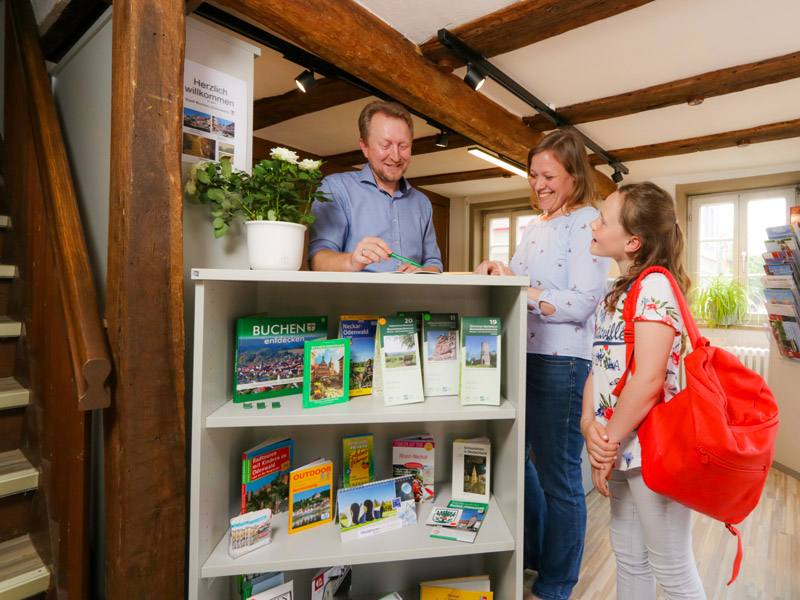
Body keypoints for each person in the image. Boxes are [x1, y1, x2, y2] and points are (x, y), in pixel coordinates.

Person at [474, 129, 611, 600]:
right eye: (533, 175)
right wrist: (498, 271)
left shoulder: (587, 221)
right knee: (520, 464)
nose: (539, 185)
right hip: (525, 357)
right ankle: (534, 553)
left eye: (549, 176)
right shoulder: (537, 226)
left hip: (563, 364)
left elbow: (581, 302)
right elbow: (518, 277)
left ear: (575, 175)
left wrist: (526, 293)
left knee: (560, 479)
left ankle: (556, 584)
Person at [582, 182, 706, 599]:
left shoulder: (655, 286)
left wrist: (607, 443)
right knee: (630, 561)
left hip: (654, 451)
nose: (593, 225)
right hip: (620, 448)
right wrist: (589, 428)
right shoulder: (614, 293)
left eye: (603, 219)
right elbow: (598, 370)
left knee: (671, 570)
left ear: (633, 241)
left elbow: (649, 379)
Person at [308, 100, 442, 273]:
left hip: (413, 300)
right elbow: (317, 260)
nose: (395, 156)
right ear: (365, 147)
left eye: (403, 146)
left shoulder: (422, 203)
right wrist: (352, 261)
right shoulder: (336, 188)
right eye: (385, 145)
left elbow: (434, 263)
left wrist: (423, 272)